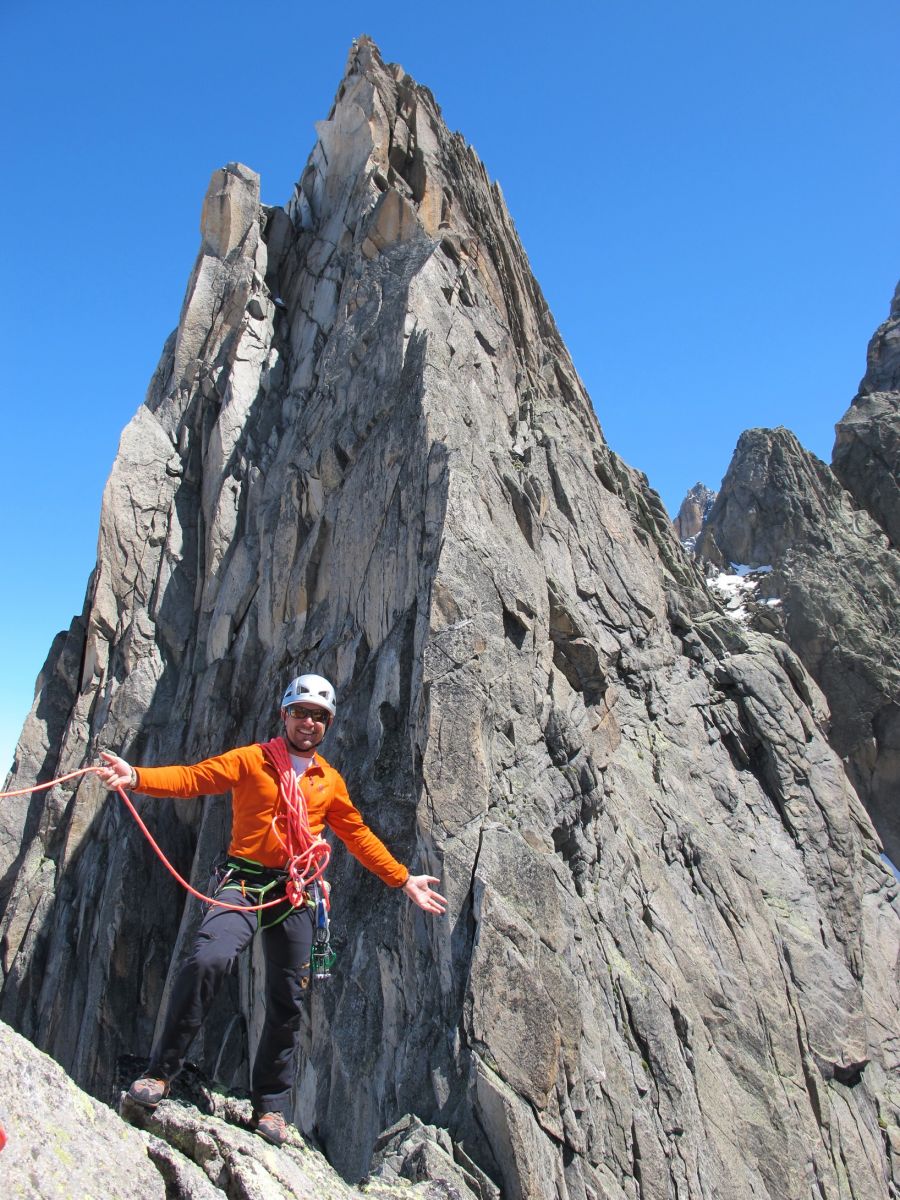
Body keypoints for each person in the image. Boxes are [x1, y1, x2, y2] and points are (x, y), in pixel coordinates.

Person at [97, 673, 446, 1147]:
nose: (308, 722)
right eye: (300, 712)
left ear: (327, 725)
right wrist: (136, 777)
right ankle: (160, 1073)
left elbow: (357, 835)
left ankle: (271, 1106)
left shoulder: (329, 782)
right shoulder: (251, 760)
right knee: (208, 959)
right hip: (243, 882)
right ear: (284, 715)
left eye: (318, 716)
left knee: (287, 999)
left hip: (295, 892)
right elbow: (194, 778)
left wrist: (402, 879)